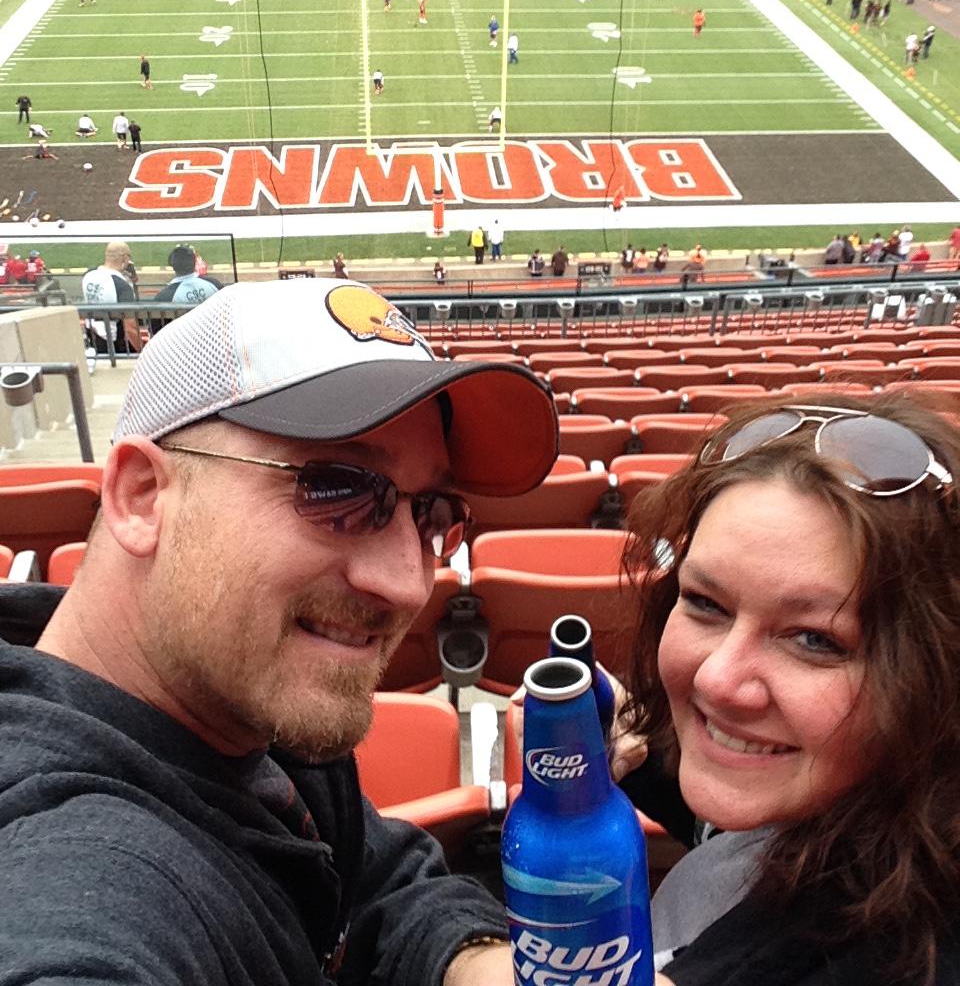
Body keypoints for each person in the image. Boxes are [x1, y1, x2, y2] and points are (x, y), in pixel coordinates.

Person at [0, 277, 558, 985]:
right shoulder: (71, 866)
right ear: (142, 498)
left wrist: (476, 965)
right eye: (338, 489)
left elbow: (373, 879)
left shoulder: (239, 699)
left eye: (432, 512)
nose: (408, 583)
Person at [616, 393, 960, 984]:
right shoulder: (858, 802)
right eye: (705, 603)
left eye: (814, 641)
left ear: (935, 679)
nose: (717, 679)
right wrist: (640, 761)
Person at [80, 240, 139, 353]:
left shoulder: (89, 276)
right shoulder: (121, 285)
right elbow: (130, 327)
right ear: (125, 258)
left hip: (92, 336)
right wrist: (141, 350)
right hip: (114, 340)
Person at [151, 244, 223, 327]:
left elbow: (157, 329)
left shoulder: (164, 297)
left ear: (172, 266)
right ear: (194, 262)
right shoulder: (214, 284)